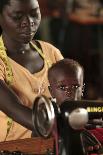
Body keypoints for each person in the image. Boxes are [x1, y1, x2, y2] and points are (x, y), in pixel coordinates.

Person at [0, 0, 63, 142]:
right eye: (17, 17)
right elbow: (14, 109)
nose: (28, 22)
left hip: (51, 141)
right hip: (12, 147)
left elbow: (70, 100)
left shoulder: (51, 53)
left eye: (34, 14)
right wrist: (68, 124)